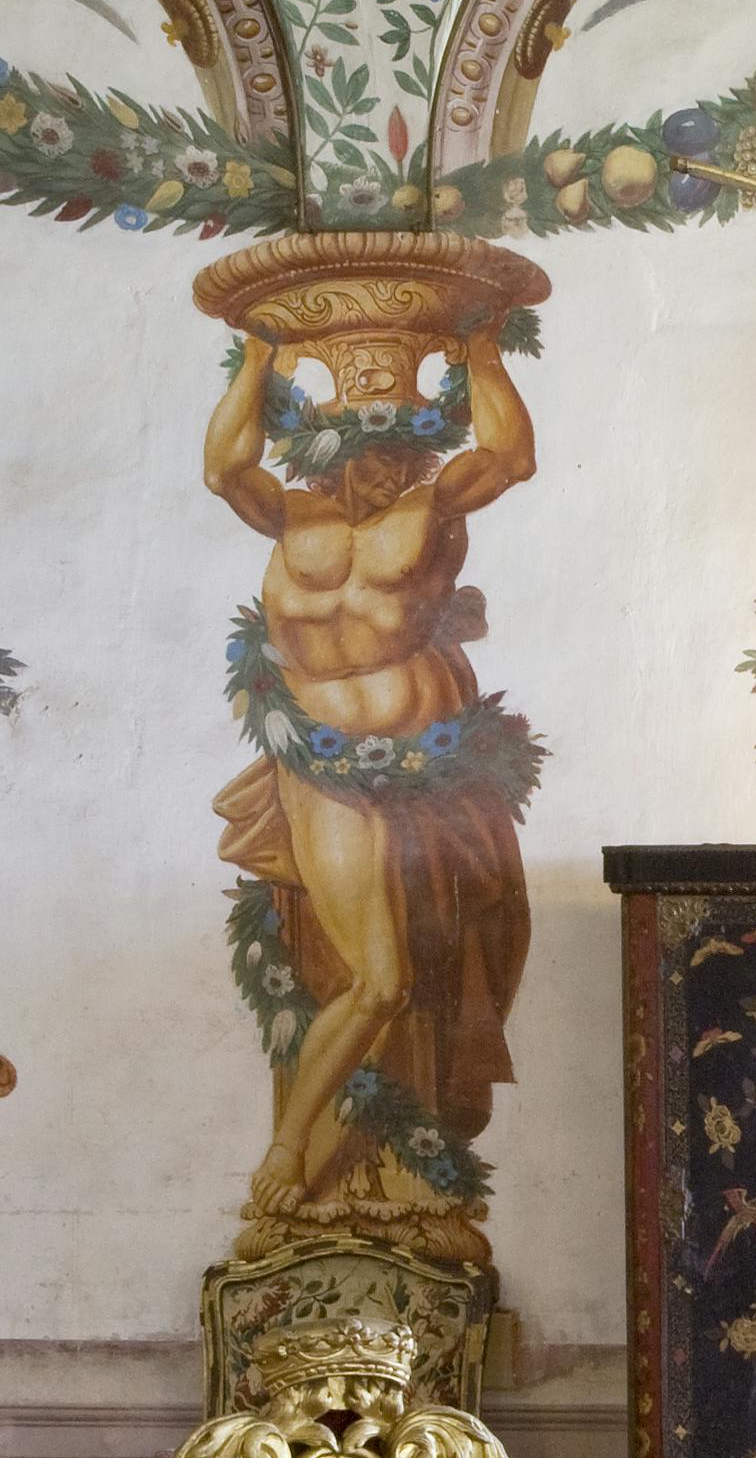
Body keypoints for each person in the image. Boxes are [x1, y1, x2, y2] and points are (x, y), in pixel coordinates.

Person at [203, 330, 538, 1235]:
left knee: (414, 978)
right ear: (325, 450)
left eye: (398, 448)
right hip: (324, 770)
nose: (380, 466)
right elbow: (225, 469)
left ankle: (348, 1154)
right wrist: (256, 362)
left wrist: (483, 350)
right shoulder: (290, 518)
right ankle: (289, 1152)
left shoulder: (433, 511)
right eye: (359, 447)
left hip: (421, 777)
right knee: (378, 977)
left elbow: (510, 455)